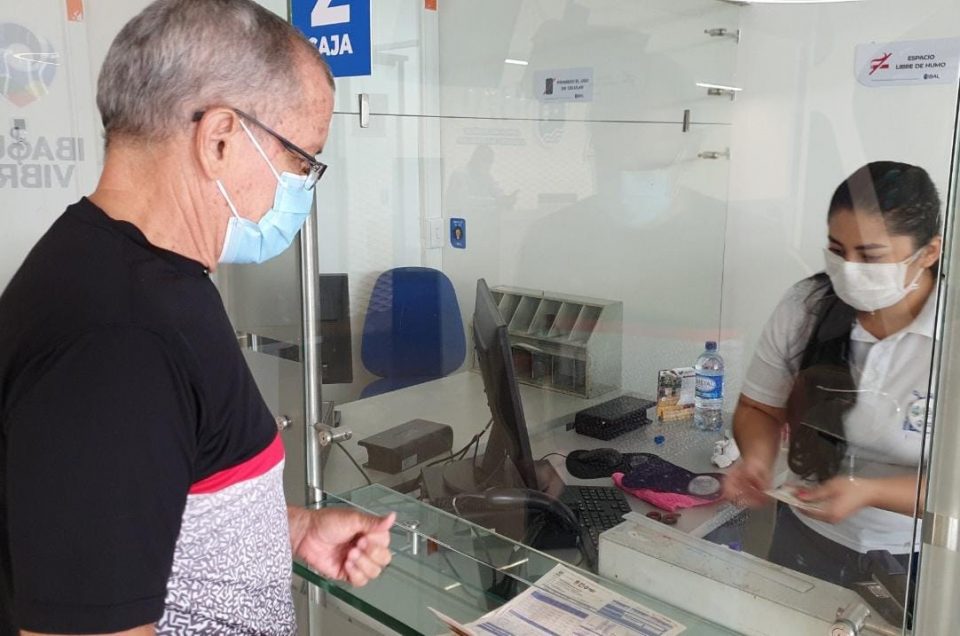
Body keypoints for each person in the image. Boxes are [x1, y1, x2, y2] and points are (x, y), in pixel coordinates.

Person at [0, 1, 394, 634]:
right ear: (219, 140)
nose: (302, 186)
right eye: (303, 160)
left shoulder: (142, 274)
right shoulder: (118, 341)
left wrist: (292, 531)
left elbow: (157, 502)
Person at [722, 161, 942, 587]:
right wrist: (757, 460)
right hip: (806, 534)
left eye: (871, 256)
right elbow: (759, 408)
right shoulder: (807, 305)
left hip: (917, 553)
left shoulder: (948, 334)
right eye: (837, 251)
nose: (850, 269)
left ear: (929, 252)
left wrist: (871, 491)